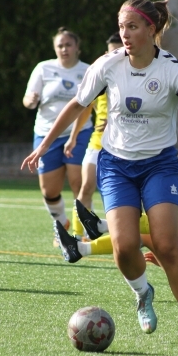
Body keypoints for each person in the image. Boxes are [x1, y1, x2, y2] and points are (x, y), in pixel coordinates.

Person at [22, 0, 178, 348]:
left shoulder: (172, 68)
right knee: (125, 247)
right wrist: (44, 145)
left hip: (159, 164)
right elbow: (75, 105)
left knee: (168, 245)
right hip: (116, 165)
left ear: (152, 30)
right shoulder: (107, 65)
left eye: (133, 27)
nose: (125, 34)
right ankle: (143, 294)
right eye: (122, 26)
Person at [23, 27, 94, 246]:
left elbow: (93, 104)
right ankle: (61, 223)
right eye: (60, 45)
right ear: (55, 48)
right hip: (47, 135)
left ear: (77, 48)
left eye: (68, 45)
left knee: (77, 182)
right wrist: (31, 100)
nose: (64, 49)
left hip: (80, 133)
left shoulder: (88, 70)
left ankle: (82, 230)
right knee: (49, 190)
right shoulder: (43, 68)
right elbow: (27, 100)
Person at [64, 32, 123, 238]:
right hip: (98, 142)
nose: (116, 55)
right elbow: (84, 108)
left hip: (125, 144)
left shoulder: (135, 75)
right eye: (112, 52)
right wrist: (73, 137)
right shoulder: (101, 74)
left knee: (123, 195)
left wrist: (117, 120)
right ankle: (78, 236)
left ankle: (124, 233)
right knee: (86, 187)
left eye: (120, 50)